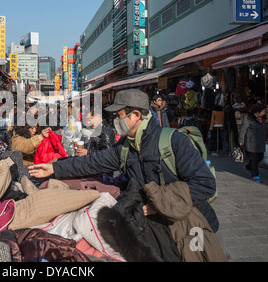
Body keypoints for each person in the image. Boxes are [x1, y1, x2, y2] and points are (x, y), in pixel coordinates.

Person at [29, 88, 220, 235]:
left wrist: (159, 205)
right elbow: (91, 162)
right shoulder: (125, 148)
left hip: (196, 226)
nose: (115, 121)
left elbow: (205, 185)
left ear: (136, 115)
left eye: (119, 116)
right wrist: (54, 167)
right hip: (161, 228)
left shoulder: (174, 141)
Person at [238, 102, 266, 183]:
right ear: (257, 111)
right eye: (263, 111)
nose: (264, 113)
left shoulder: (263, 119)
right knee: (254, 159)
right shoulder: (248, 118)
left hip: (260, 142)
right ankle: (255, 175)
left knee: (260, 157)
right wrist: (241, 141)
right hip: (251, 143)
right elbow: (243, 130)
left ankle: (248, 167)